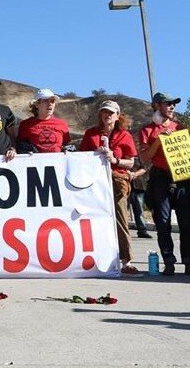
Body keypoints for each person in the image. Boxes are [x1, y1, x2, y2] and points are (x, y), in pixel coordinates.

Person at [79, 100, 139, 275]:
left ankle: (127, 260)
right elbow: (81, 156)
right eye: (104, 112)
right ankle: (97, 257)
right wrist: (94, 154)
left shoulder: (124, 135)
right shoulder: (91, 134)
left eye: (111, 113)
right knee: (94, 219)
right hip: (95, 181)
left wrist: (115, 160)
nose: (107, 115)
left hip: (117, 180)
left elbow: (131, 162)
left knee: (120, 219)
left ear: (118, 116)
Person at [139, 92, 190, 276]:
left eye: (173, 104)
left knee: (186, 223)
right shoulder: (147, 131)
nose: (171, 107)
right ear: (156, 106)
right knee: (162, 222)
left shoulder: (180, 127)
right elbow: (144, 158)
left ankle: (188, 261)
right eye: (167, 104)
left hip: (182, 179)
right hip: (160, 179)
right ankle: (169, 261)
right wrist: (159, 141)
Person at [16, 89, 71, 153]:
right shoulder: (25, 125)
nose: (50, 104)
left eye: (52, 101)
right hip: (35, 162)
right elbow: (20, 147)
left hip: (57, 162)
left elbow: (66, 145)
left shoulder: (62, 124)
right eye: (46, 101)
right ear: (37, 104)